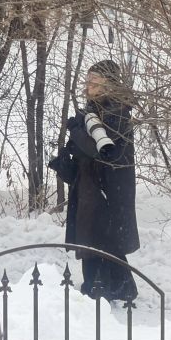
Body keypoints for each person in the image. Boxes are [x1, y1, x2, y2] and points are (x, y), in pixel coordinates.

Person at [49, 59, 139, 302]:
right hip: (90, 185)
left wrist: (77, 131)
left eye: (94, 81)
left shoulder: (117, 113)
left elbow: (98, 150)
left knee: (101, 239)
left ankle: (102, 288)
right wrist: (65, 162)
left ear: (109, 84)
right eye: (87, 81)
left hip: (107, 187)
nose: (88, 86)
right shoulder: (92, 111)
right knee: (94, 237)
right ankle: (111, 287)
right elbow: (83, 150)